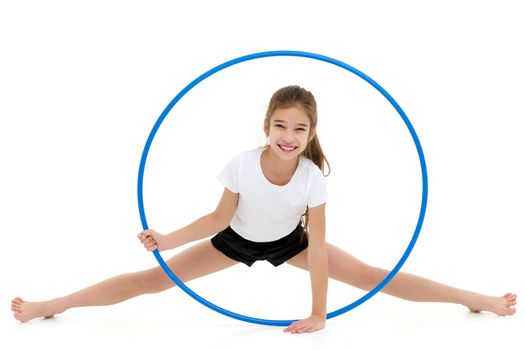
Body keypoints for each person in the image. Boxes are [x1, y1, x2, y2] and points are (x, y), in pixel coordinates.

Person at [11, 85, 517, 334]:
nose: (289, 137)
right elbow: (215, 220)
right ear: (266, 127)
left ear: (311, 133)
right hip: (234, 239)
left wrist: (320, 313)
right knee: (151, 279)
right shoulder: (241, 164)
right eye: (281, 126)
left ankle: (478, 299)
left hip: (290, 244)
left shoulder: (312, 179)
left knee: (373, 275)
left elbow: (316, 250)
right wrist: (166, 238)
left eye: (299, 129)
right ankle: (51, 305)